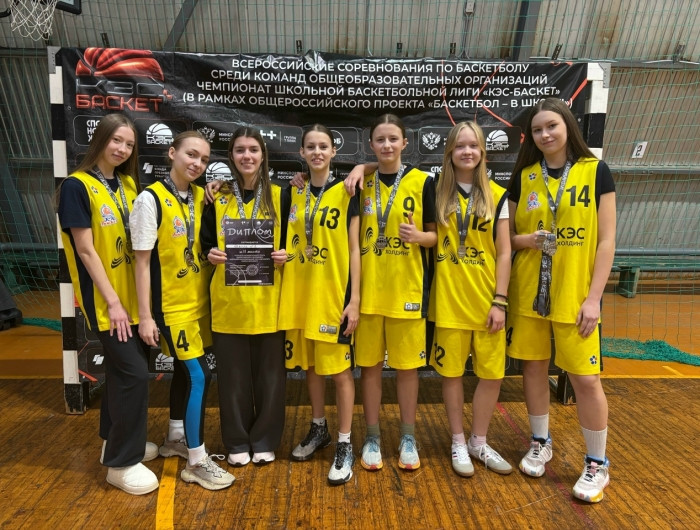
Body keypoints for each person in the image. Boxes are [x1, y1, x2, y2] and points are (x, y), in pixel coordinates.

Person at [506, 97, 616, 503]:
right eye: (537, 129)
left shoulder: (595, 171)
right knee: (534, 368)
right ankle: (540, 441)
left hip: (576, 295)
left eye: (551, 125)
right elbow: (507, 239)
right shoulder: (525, 177)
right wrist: (528, 240)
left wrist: (594, 298)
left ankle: (597, 463)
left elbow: (606, 241)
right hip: (529, 292)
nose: (545, 134)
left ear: (568, 126)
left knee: (586, 380)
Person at [57, 113, 159, 495]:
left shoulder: (129, 184)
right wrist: (113, 302)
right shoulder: (76, 186)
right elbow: (85, 250)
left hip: (134, 299)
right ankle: (121, 463)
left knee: (119, 374)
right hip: (107, 303)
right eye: (117, 140)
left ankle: (113, 443)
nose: (123, 149)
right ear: (100, 139)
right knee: (134, 374)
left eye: (129, 144)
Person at [131, 130, 235, 491]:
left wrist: (217, 186)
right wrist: (146, 315)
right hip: (172, 308)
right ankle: (196, 462)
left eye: (204, 159)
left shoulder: (201, 196)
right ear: (172, 153)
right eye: (191, 155)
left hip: (200, 303)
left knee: (183, 372)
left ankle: (176, 437)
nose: (197, 164)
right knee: (198, 376)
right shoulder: (150, 199)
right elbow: (141, 263)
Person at [345, 114, 437, 471]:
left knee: (407, 370)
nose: (386, 145)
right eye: (380, 139)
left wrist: (419, 237)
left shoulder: (422, 182)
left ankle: (408, 437)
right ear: (370, 145)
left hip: (407, 290)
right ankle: (372, 436)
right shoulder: (360, 182)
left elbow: (436, 235)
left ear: (405, 143)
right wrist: (359, 167)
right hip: (368, 294)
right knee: (369, 369)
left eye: (393, 139)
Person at [200, 127, 288, 467]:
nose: (246, 156)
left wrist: (286, 255)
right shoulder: (215, 196)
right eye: (239, 150)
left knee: (270, 379)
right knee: (233, 379)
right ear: (231, 156)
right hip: (229, 302)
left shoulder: (281, 195)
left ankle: (264, 439)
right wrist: (209, 253)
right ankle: (236, 441)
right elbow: (204, 242)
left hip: (270, 302)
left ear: (263, 154)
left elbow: (295, 242)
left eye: (253, 149)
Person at [429, 121, 513, 477]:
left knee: (492, 375)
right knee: (451, 376)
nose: (467, 152)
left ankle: (479, 441)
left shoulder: (498, 194)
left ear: (483, 152)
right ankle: (458, 441)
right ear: (450, 152)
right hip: (449, 301)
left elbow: (505, 252)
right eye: (460, 146)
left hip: (487, 302)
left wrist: (500, 300)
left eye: (474, 146)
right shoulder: (435, 191)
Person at [280, 124, 361, 485]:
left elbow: (355, 249)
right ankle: (319, 428)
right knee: (311, 367)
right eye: (310, 147)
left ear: (333, 152)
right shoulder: (292, 192)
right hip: (301, 294)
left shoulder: (347, 190)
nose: (316, 152)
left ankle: (345, 442)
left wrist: (354, 300)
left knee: (340, 373)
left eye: (323, 146)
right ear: (301, 152)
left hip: (333, 295)